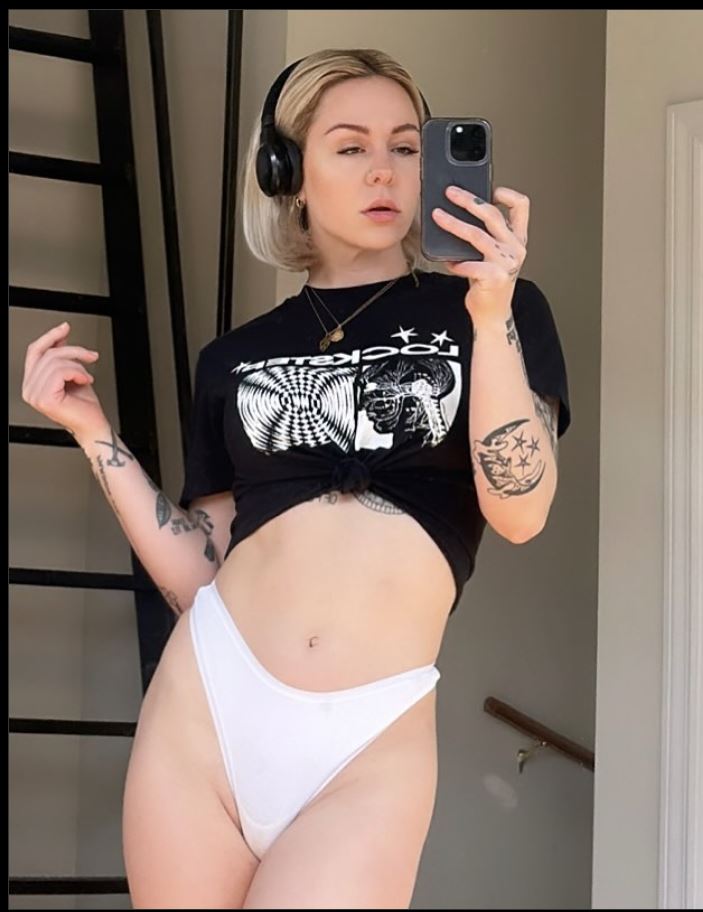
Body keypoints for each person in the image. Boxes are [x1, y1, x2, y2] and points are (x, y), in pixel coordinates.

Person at [19, 48, 571, 909]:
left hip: (368, 734)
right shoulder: (232, 357)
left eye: (404, 146)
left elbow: (521, 510)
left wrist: (490, 308)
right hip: (207, 702)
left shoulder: (498, 311)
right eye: (350, 147)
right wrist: (95, 436)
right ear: (289, 174)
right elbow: (199, 575)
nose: (383, 170)